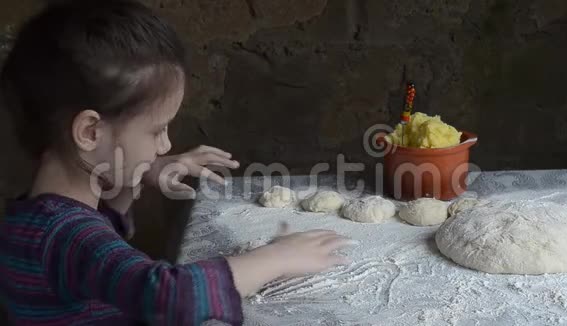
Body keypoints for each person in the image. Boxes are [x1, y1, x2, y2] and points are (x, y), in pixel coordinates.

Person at [0, 1, 352, 325]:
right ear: (90, 131)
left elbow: (102, 241)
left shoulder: (36, 218)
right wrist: (277, 257)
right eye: (157, 130)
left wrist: (143, 172)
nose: (166, 144)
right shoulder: (65, 235)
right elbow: (168, 295)